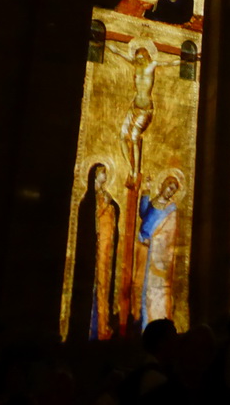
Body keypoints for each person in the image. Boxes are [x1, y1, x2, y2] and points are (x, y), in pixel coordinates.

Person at [107, 39, 181, 176]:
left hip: (146, 108)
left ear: (146, 55)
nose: (139, 60)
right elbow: (117, 52)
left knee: (135, 137)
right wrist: (104, 42)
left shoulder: (152, 65)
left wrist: (186, 60)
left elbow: (170, 63)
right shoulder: (136, 64)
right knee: (122, 135)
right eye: (137, 58)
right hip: (134, 106)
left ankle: (136, 171)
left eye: (141, 57)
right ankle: (130, 167)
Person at [133, 174, 181, 328]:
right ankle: (138, 322)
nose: (170, 192)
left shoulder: (171, 210)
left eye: (173, 191)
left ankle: (152, 324)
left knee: (154, 291)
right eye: (169, 188)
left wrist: (153, 241)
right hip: (143, 248)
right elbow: (143, 214)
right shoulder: (154, 201)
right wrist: (146, 190)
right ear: (163, 185)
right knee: (138, 286)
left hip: (156, 255)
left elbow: (168, 234)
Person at [90, 164, 119, 340]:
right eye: (103, 173)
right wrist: (103, 207)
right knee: (96, 284)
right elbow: (92, 219)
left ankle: (102, 325)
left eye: (106, 174)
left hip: (105, 249)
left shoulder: (105, 196)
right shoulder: (92, 198)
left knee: (103, 284)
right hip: (95, 246)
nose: (105, 177)